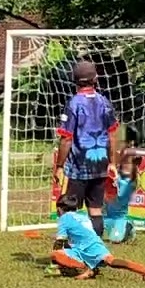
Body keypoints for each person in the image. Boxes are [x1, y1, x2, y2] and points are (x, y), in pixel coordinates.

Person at [53, 59, 118, 238]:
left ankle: (68, 248)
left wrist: (59, 166)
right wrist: (112, 162)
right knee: (95, 209)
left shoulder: (73, 104)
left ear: (74, 81)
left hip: (78, 168)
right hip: (100, 166)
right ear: (95, 79)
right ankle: (95, 248)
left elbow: (66, 138)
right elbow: (112, 135)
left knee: (67, 209)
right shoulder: (105, 102)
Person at [51, 194, 145, 281]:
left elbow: (60, 240)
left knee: (56, 254)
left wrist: (54, 263)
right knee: (112, 261)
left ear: (60, 209)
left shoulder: (64, 218)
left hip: (86, 247)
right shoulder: (82, 216)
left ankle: (85, 269)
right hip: (93, 244)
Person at [105, 149, 142, 243]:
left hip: (119, 217)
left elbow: (120, 195)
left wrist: (116, 179)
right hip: (106, 216)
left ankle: (128, 226)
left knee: (116, 239)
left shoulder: (131, 181)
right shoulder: (115, 171)